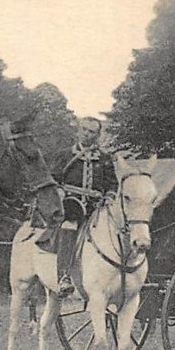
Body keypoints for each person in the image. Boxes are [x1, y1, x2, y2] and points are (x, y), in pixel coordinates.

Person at [39, 116, 117, 298]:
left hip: (97, 208)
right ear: (78, 130)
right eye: (84, 130)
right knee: (69, 226)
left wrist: (110, 196)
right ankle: (64, 277)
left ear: (97, 135)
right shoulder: (66, 155)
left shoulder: (104, 159)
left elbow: (113, 184)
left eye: (91, 132)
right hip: (72, 205)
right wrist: (59, 191)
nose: (87, 134)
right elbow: (53, 179)